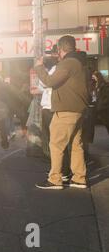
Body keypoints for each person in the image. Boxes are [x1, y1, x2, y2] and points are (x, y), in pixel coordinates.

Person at [34, 35, 89, 190]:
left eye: (57, 50)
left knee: (56, 144)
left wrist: (39, 67)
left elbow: (50, 82)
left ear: (60, 49)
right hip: (78, 109)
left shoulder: (68, 63)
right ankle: (79, 178)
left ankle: (55, 179)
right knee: (76, 145)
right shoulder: (79, 63)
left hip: (66, 110)